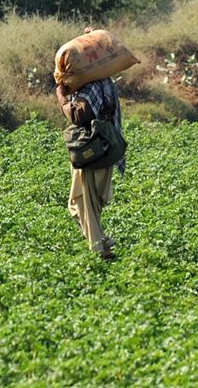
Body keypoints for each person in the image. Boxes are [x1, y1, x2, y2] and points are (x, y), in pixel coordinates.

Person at [56, 71, 124, 260]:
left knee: (82, 203)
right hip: (107, 148)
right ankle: (102, 242)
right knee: (87, 204)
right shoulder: (106, 82)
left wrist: (61, 98)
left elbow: (79, 115)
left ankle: (100, 248)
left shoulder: (91, 86)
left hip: (92, 151)